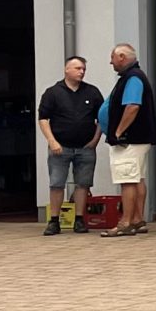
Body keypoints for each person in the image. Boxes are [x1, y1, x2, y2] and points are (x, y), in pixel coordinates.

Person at [35, 54, 105, 235]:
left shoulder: (92, 92)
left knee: (83, 184)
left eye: (83, 69)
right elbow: (43, 118)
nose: (81, 72)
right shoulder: (53, 93)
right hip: (60, 146)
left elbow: (102, 117)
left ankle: (80, 220)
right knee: (57, 183)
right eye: (77, 68)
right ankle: (54, 221)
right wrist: (51, 141)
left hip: (85, 147)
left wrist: (96, 140)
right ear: (66, 70)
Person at [98, 43, 156, 236]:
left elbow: (132, 106)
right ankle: (138, 219)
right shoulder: (133, 76)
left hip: (129, 140)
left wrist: (118, 131)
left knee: (127, 180)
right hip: (137, 139)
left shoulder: (133, 78)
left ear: (122, 57)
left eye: (113, 58)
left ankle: (125, 222)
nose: (110, 62)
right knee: (138, 178)